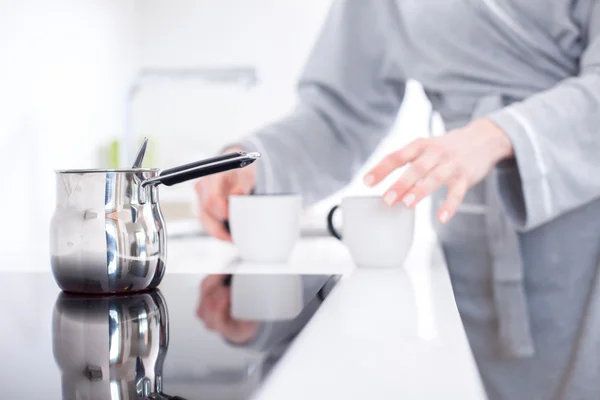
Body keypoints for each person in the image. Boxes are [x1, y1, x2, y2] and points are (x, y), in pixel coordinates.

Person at [195, 1, 600, 399]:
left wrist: (498, 135)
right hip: (470, 240)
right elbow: (339, 114)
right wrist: (251, 162)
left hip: (583, 225)